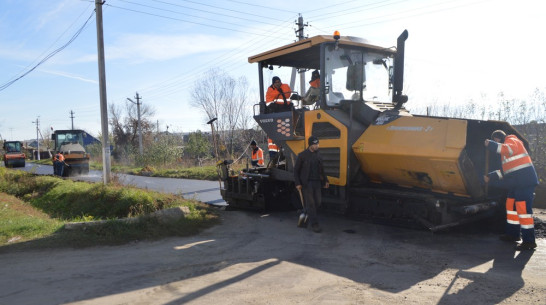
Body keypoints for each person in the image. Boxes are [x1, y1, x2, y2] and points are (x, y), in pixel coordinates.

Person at [484, 130, 539, 250]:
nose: (497, 142)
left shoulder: (512, 140)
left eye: (496, 140)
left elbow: (507, 149)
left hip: (524, 183)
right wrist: (491, 175)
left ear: (500, 137)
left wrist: (492, 144)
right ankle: (513, 234)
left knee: (523, 210)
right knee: (511, 207)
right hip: (516, 184)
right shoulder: (506, 155)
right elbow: (506, 172)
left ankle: (529, 241)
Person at [294, 136, 329, 233]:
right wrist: (298, 183)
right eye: (315, 144)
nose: (317, 146)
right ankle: (315, 224)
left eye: (318, 144)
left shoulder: (319, 155)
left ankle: (306, 211)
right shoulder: (302, 155)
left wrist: (326, 180)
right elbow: (296, 171)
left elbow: (322, 170)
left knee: (318, 202)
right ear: (310, 145)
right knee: (311, 204)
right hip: (307, 183)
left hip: (317, 182)